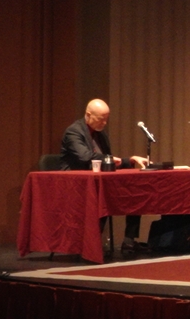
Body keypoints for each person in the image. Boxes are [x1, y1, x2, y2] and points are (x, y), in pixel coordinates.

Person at [59, 99, 151, 253]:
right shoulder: (73, 132)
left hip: (99, 181)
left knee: (136, 193)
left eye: (106, 119)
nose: (104, 123)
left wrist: (131, 160)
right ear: (88, 115)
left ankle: (129, 240)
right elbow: (84, 157)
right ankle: (91, 245)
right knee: (103, 198)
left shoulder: (101, 135)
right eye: (101, 119)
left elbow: (109, 162)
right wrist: (108, 160)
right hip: (76, 185)